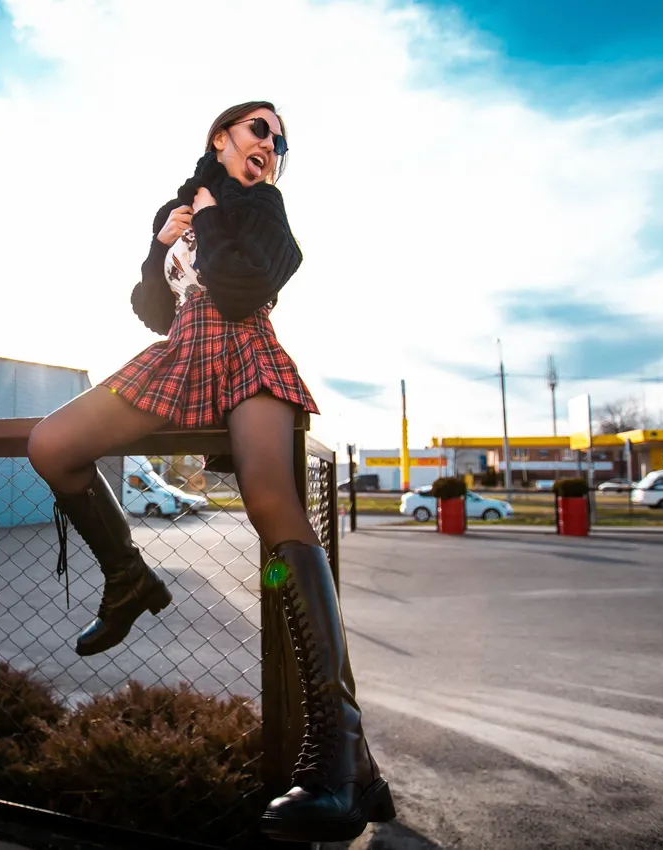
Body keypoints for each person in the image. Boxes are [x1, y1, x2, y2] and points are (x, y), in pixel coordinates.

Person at [27, 101, 395, 842]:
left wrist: (210, 211)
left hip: (245, 345)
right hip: (181, 353)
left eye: (280, 140)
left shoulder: (264, 210)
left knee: (268, 498)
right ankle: (129, 576)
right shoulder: (181, 208)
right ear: (221, 136)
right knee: (51, 444)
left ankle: (337, 763)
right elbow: (153, 309)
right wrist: (157, 242)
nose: (272, 144)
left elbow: (240, 288)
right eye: (260, 129)